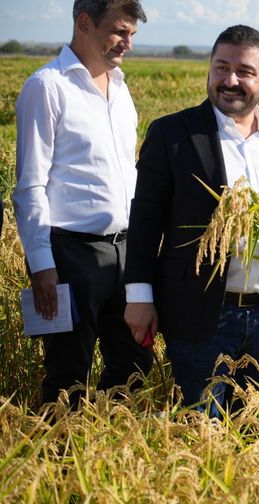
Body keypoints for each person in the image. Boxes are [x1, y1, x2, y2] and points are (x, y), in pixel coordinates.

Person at [124, 25, 259, 416]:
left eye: (244, 71)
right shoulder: (173, 135)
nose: (230, 80)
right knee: (199, 427)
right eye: (221, 68)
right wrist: (139, 297)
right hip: (200, 316)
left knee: (256, 432)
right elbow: (144, 222)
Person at [13, 0, 151, 407]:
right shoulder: (47, 87)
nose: (127, 43)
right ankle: (59, 462)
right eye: (119, 32)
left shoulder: (121, 88)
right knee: (68, 375)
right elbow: (30, 185)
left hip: (126, 250)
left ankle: (115, 458)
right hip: (70, 254)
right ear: (85, 23)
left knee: (133, 366)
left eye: (131, 35)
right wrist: (42, 265)